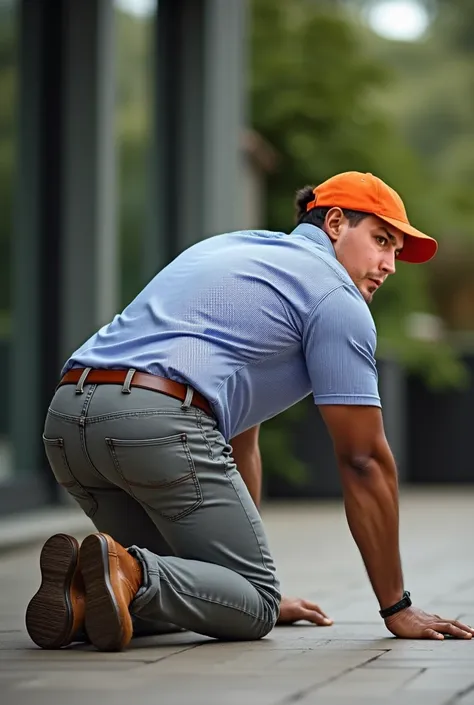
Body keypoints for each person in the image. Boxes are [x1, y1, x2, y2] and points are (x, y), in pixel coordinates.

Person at [26, 171, 473, 652]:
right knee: (257, 603)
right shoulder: (335, 297)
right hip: (156, 423)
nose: (389, 264)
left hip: (67, 420)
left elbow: (241, 440)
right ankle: (128, 570)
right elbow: (364, 460)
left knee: (188, 594)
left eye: (396, 253)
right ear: (337, 223)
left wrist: (234, 573)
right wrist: (396, 606)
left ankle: (78, 593)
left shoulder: (235, 250)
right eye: (382, 240)